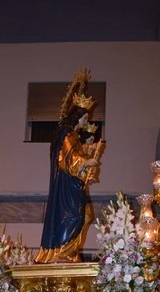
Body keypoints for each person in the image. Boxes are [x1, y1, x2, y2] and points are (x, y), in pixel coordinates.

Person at [35, 69, 100, 265]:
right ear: (77, 116)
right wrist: (86, 161)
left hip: (73, 185)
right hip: (66, 187)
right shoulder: (66, 132)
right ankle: (62, 251)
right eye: (85, 119)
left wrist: (87, 149)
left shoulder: (71, 134)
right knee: (73, 216)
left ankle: (70, 252)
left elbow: (74, 151)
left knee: (84, 215)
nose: (85, 123)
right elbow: (68, 157)